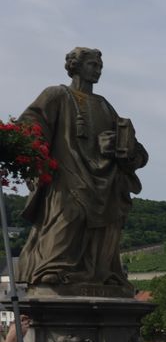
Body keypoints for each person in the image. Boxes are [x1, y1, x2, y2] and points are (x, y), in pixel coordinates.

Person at [17, 47, 147, 290]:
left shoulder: (105, 105)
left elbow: (135, 149)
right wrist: (35, 151)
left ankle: (100, 272)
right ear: (75, 66)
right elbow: (31, 124)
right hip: (68, 173)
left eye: (99, 67)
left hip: (104, 180)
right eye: (92, 65)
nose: (97, 71)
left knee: (105, 228)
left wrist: (120, 147)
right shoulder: (56, 95)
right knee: (69, 216)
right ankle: (54, 267)